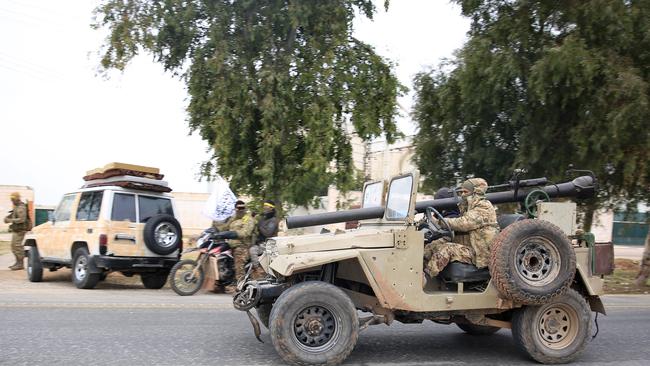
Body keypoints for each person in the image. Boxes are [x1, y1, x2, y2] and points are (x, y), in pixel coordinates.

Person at [423, 178, 499, 278]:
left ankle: (425, 279)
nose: (462, 195)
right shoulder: (468, 206)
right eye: (462, 192)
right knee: (432, 246)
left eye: (465, 192)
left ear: (475, 192)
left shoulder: (483, 207)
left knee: (447, 249)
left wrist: (440, 222)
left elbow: (464, 223)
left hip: (480, 254)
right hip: (470, 246)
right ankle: (416, 271)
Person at [212, 200, 255, 292]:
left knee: (238, 265)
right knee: (217, 255)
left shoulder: (248, 219)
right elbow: (224, 227)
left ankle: (242, 287)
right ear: (235, 209)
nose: (240, 210)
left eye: (242, 208)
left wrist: (233, 234)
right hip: (231, 244)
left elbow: (246, 232)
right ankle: (221, 283)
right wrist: (215, 225)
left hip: (242, 246)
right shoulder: (234, 218)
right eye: (238, 208)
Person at [4, 192, 28, 270]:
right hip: (16, 229)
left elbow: (22, 219)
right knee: (14, 247)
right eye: (11, 199)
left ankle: (20, 264)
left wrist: (10, 220)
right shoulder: (16, 206)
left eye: (13, 199)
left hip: (20, 230)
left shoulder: (21, 207)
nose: (12, 201)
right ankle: (17, 263)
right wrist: (7, 218)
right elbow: (14, 216)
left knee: (17, 246)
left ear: (17, 199)